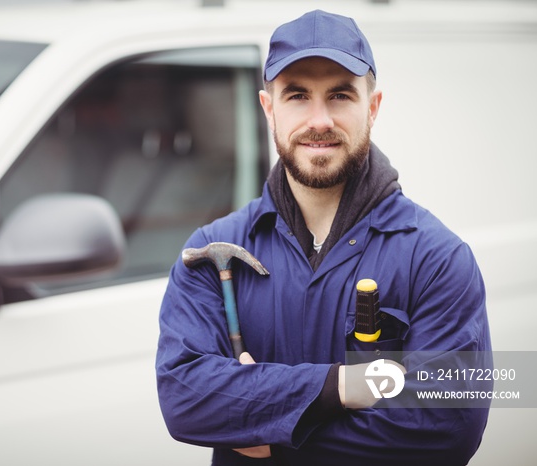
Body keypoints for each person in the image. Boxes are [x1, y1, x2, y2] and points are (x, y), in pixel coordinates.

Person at [155, 9, 491, 466]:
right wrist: (345, 386)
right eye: (297, 95)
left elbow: (448, 426)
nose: (319, 120)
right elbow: (184, 400)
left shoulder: (437, 258)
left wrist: (267, 423)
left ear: (371, 107)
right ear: (268, 107)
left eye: (339, 95)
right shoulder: (211, 252)